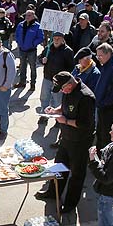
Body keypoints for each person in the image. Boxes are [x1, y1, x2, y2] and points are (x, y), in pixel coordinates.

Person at [35, 72, 96, 213]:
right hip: (66, 138)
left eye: (63, 89)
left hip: (80, 141)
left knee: (76, 174)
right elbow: (65, 106)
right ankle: (53, 192)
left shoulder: (86, 97)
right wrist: (54, 111)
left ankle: (70, 204)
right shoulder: (68, 90)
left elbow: (84, 123)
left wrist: (65, 121)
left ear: (70, 84)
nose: (62, 92)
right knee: (58, 167)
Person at [38, 32, 74, 123]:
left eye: (59, 38)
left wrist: (65, 80)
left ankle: (58, 118)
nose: (56, 40)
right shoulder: (48, 48)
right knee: (44, 97)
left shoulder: (68, 51)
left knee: (58, 100)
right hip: (47, 77)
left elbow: (71, 67)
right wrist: (42, 60)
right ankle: (44, 115)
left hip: (59, 82)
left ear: (63, 39)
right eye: (55, 38)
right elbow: (40, 57)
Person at [13, 9, 43, 90]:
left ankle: (33, 84)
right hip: (22, 49)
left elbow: (41, 37)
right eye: (26, 15)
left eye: (29, 15)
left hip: (31, 50)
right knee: (22, 66)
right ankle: (22, 82)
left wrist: (33, 43)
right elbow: (17, 34)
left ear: (33, 16)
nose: (27, 17)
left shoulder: (37, 26)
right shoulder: (21, 25)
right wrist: (18, 42)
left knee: (33, 67)